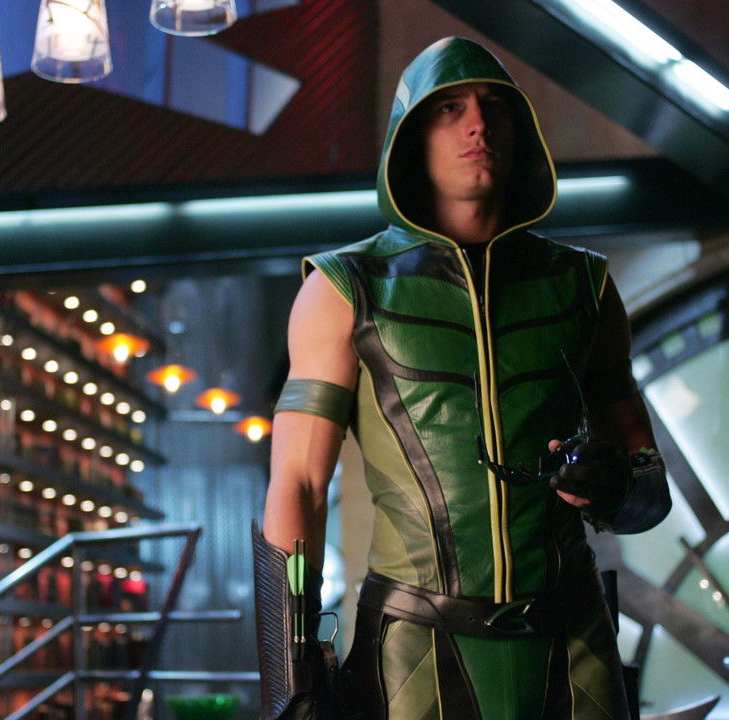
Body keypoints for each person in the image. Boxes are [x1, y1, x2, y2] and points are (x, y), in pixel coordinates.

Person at [253, 37, 672, 720]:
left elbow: (649, 488)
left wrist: (617, 485)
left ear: (519, 130)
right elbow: (299, 482)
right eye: (449, 108)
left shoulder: (584, 284)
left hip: (574, 639)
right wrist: (290, 677)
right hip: (415, 645)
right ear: (409, 136)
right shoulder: (342, 287)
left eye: (493, 108)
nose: (477, 124)